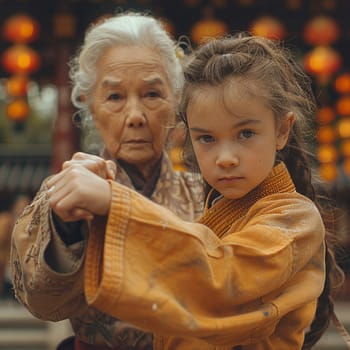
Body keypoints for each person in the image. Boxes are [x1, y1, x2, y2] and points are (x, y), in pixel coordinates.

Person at [41, 33, 347, 349]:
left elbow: (220, 281)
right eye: (206, 139)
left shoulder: (295, 219)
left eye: (245, 133)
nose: (226, 158)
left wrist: (116, 203)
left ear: (282, 130)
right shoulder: (213, 209)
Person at [10, 11, 204, 350]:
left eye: (152, 95)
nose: (135, 116)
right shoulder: (64, 194)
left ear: (175, 102)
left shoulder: (208, 196)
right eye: (115, 97)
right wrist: (66, 226)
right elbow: (40, 301)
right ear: (90, 106)